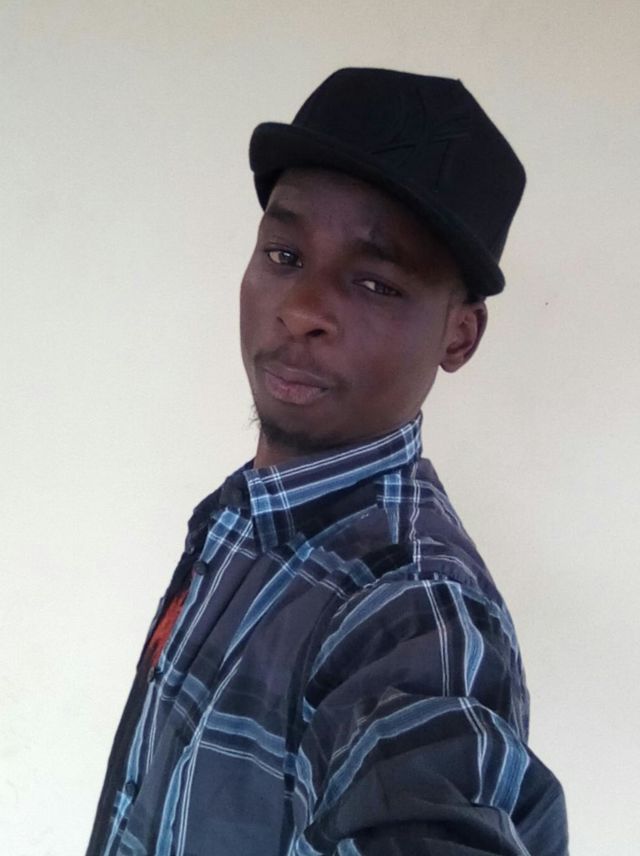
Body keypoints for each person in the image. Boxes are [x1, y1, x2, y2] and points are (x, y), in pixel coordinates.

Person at [87, 68, 568, 855]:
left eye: (375, 282)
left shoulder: (411, 610)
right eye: (284, 254)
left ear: (459, 336)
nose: (302, 309)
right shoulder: (241, 517)